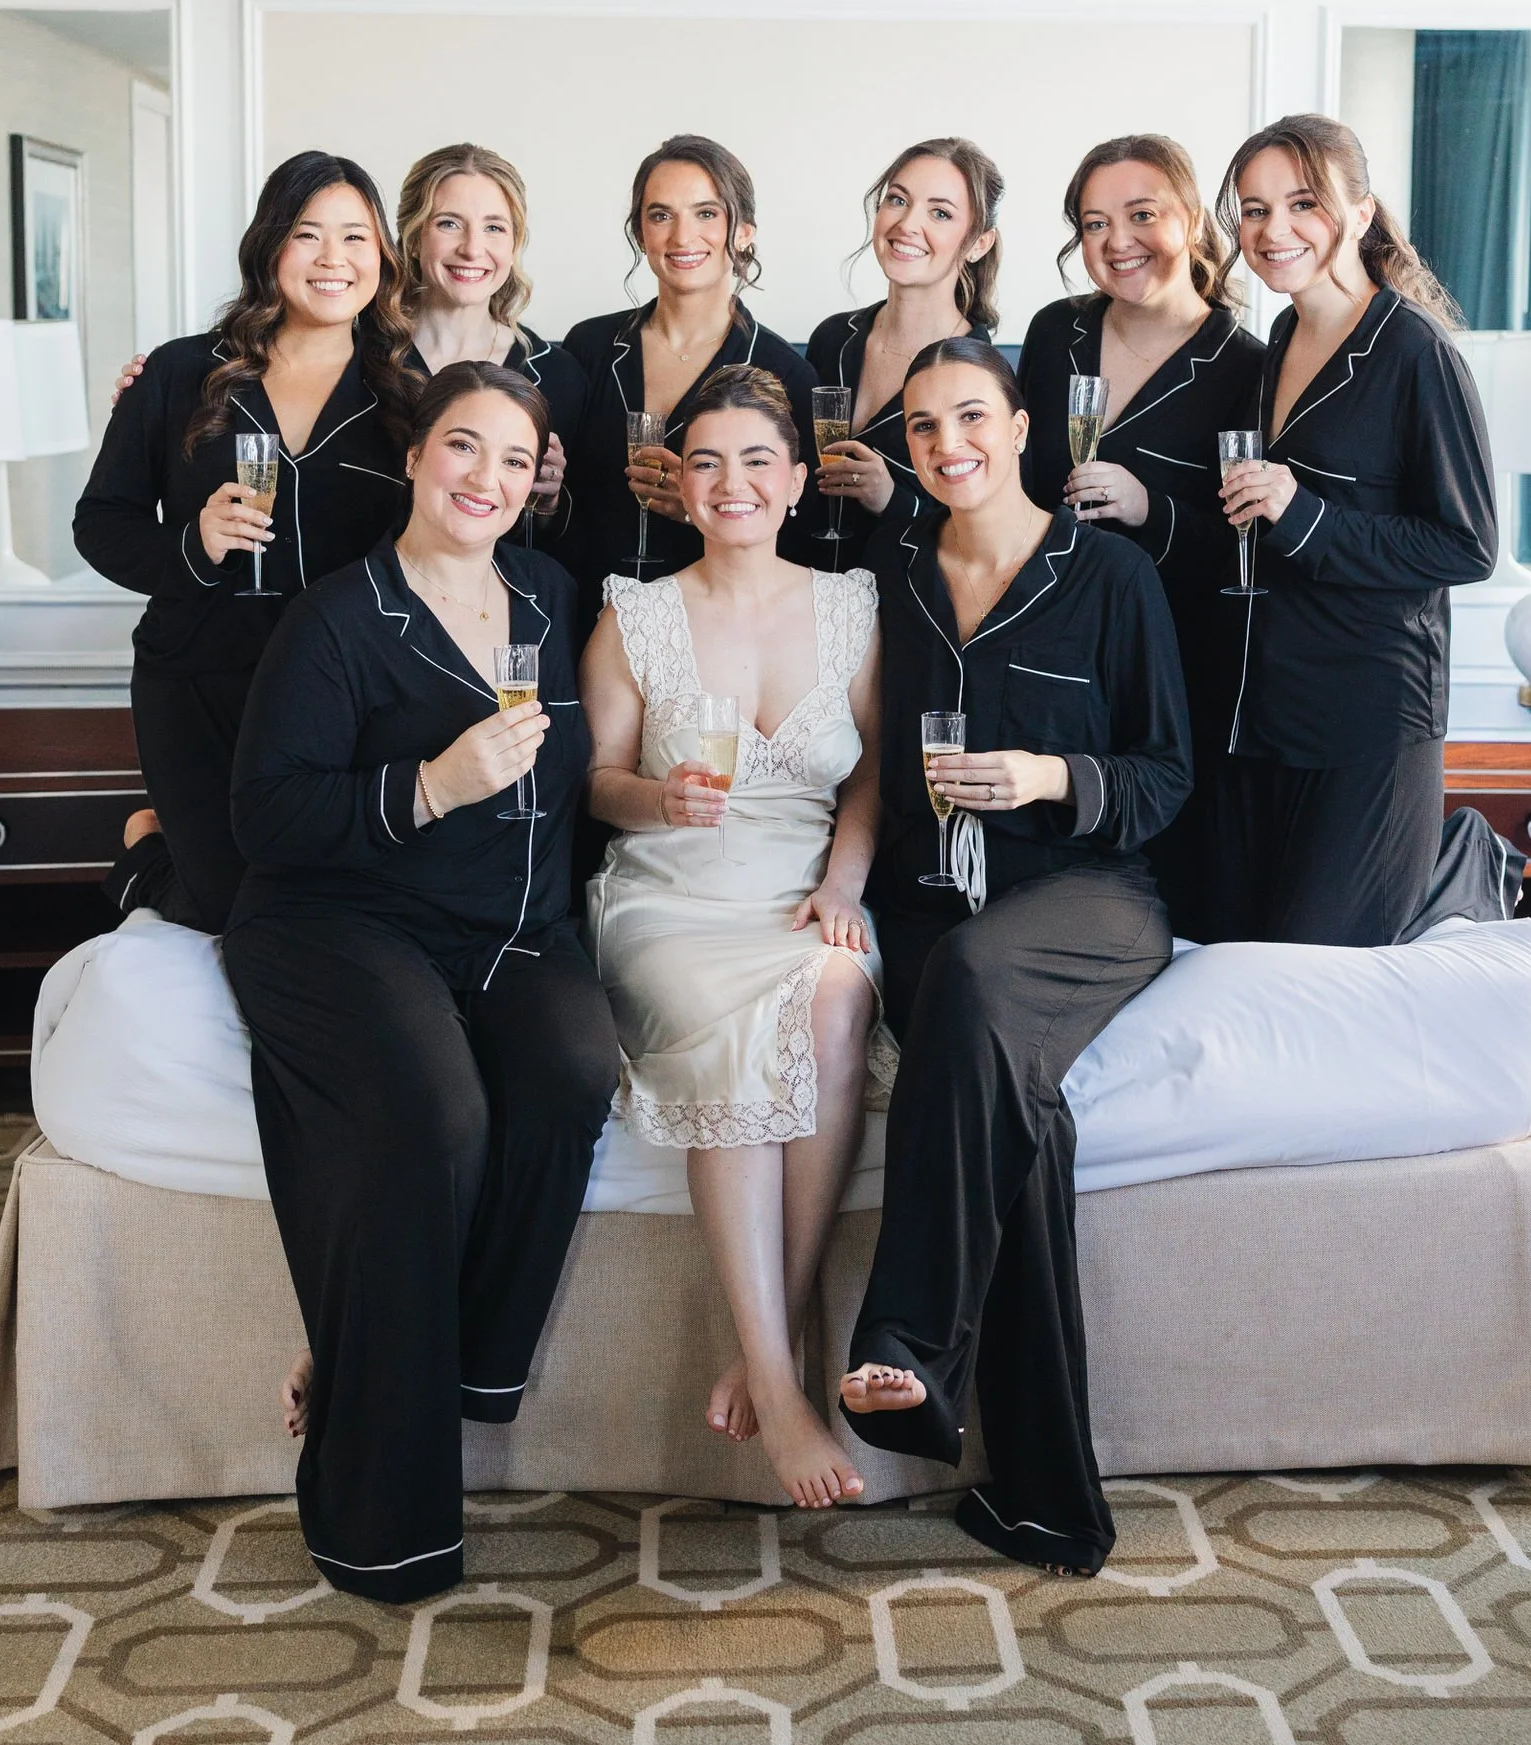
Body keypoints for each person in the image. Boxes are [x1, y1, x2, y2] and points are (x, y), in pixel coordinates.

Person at [225, 361, 619, 1602]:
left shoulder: (552, 598)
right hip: (341, 922)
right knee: (434, 1121)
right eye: (463, 447)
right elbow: (264, 813)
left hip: (510, 934)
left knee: (570, 1072)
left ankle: (461, 1365)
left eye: (513, 460)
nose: (485, 479)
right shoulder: (342, 615)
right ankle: (377, 1520)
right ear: (415, 458)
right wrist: (431, 786)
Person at [836, 337, 1191, 1576]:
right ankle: (1046, 1500)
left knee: (971, 985)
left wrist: (1047, 776)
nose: (946, 446)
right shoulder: (892, 574)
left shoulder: (1109, 576)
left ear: (1023, 424)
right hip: (940, 897)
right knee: (1019, 1112)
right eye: (922, 429)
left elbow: (1164, 776)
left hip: (1090, 893)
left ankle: (909, 1339)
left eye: (969, 417)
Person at [581, 365, 889, 1509]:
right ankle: (780, 1375)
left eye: (757, 460)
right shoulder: (636, 610)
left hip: (798, 881)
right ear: (678, 482)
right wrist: (660, 800)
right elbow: (598, 784)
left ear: (797, 480)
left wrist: (842, 881)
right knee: (730, 1028)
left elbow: (870, 781)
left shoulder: (850, 603)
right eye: (704, 461)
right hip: (666, 893)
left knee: (835, 988)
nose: (732, 482)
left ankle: (766, 1340)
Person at [72, 152, 414, 932]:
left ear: (383, 257)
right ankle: (147, 860)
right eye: (308, 235)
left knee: (310, 899)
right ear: (269, 247)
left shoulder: (407, 392)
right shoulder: (179, 372)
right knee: (232, 911)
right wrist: (191, 543)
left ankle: (157, 844)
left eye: (356, 238)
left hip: (343, 693)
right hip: (198, 677)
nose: (334, 259)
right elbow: (100, 523)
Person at [1209, 112, 1497, 945]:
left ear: (1361, 212)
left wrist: (1303, 514)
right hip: (1265, 710)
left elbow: (1464, 546)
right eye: (1254, 210)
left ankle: (1462, 866)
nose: (1273, 230)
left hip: (1368, 722)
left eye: (1302, 203)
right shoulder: (1281, 335)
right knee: (1245, 960)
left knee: (1319, 970)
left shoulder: (1414, 354)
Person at [1016, 135, 1265, 934]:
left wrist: (1149, 511)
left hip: (1170, 674)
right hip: (1047, 657)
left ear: (1189, 219)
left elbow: (1251, 555)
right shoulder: (1056, 333)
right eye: (1093, 223)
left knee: (1171, 902)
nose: (1116, 242)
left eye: (1141, 215)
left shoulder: (1246, 366)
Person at [562, 135, 825, 627]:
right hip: (583, 614)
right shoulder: (589, 347)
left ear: (744, 230)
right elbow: (560, 504)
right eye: (661, 215)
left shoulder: (785, 373)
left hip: (712, 631)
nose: (683, 237)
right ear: (641, 233)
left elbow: (805, 533)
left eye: (706, 214)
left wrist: (707, 509)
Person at [806, 139, 1003, 568]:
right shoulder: (832, 338)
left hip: (910, 604)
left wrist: (890, 499)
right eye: (897, 200)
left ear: (978, 244)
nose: (907, 224)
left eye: (940, 213)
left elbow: (992, 531)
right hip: (804, 595)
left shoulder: (986, 375)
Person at [394, 140, 587, 548]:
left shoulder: (558, 375)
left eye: (494, 228)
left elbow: (576, 539)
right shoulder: (362, 358)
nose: (472, 248)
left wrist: (550, 503)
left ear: (514, 244)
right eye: (448, 223)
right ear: (413, 237)